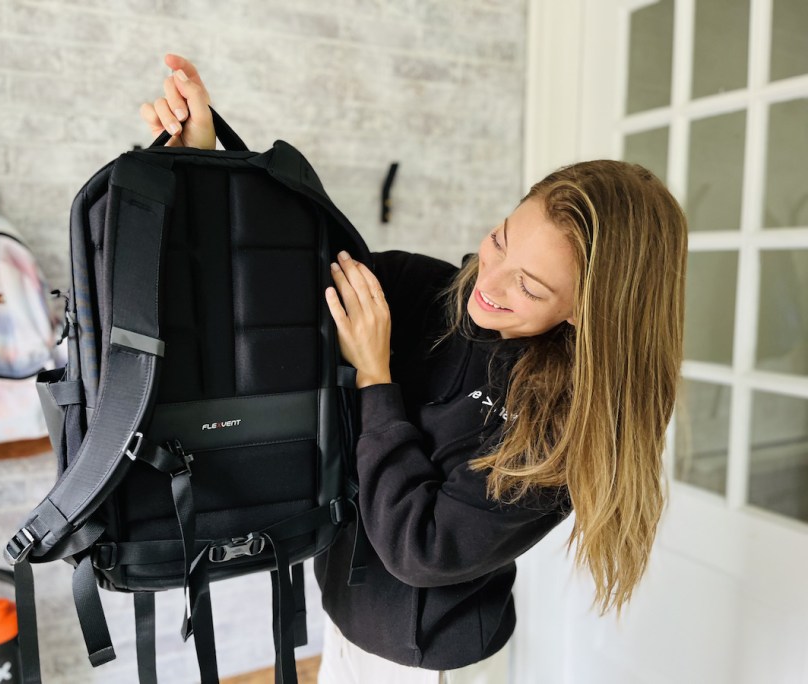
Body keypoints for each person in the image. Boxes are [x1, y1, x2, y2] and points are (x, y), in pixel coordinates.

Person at [141, 54, 688, 684]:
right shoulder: (412, 286)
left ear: (587, 314)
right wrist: (208, 166)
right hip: (344, 617)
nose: (491, 281)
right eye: (501, 240)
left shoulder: (566, 426)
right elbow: (267, 301)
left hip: (433, 664)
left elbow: (420, 547)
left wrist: (376, 377)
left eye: (531, 288)